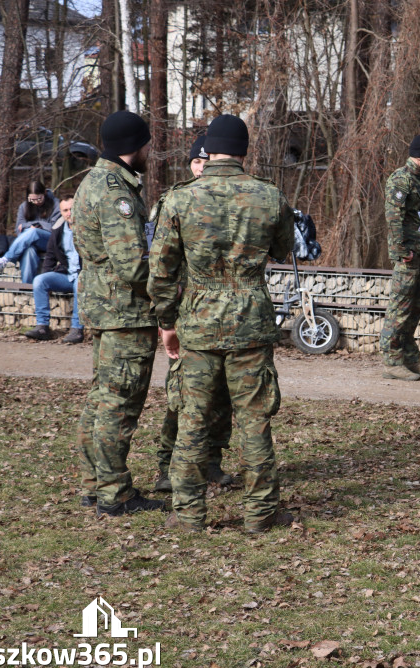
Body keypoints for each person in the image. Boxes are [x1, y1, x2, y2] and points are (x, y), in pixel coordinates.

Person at [149, 114, 295, 533]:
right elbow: (284, 249)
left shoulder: (179, 199)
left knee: (192, 418)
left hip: (197, 321)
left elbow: (160, 272)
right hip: (250, 320)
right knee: (254, 419)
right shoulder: (269, 197)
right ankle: (260, 513)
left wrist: (166, 321)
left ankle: (190, 514)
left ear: (208, 150)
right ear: (245, 151)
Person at [74, 110, 165, 517]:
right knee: (119, 403)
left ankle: (95, 484)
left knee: (102, 398)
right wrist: (169, 289)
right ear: (135, 145)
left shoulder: (93, 181)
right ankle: (115, 493)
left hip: (104, 307)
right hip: (124, 313)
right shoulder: (115, 190)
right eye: (146, 143)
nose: (150, 150)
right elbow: (132, 265)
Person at [150, 135, 234, 494]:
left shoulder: (232, 198)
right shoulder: (174, 202)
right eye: (196, 162)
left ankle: (211, 460)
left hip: (226, 315)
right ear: (190, 165)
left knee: (224, 394)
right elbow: (159, 263)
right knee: (182, 395)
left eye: (207, 161)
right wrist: (165, 320)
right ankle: (168, 466)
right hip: (187, 315)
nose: (202, 168)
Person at [380, 135, 420, 381]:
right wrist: (401, 251)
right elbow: (393, 218)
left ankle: (410, 358)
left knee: (415, 308)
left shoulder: (416, 180)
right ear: (418, 156)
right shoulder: (401, 179)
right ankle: (392, 361)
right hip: (407, 256)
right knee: (400, 308)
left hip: (417, 254)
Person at [24, 196, 85, 343]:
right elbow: (50, 256)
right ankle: (42, 327)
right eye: (65, 210)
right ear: (61, 212)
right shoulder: (58, 230)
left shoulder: (87, 228)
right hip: (66, 274)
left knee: (79, 283)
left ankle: (77, 329)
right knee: (40, 280)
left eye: (72, 209)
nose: (69, 213)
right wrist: (47, 275)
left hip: (84, 275)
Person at [0, 181, 61, 283]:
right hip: (30, 241)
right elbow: (18, 229)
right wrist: (31, 226)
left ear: (45, 193)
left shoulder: (56, 205)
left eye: (39, 199)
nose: (36, 202)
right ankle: (27, 289)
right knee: (29, 251)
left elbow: (54, 228)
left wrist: (34, 226)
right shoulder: (24, 206)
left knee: (34, 232)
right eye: (32, 199)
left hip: (50, 240)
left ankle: (5, 259)